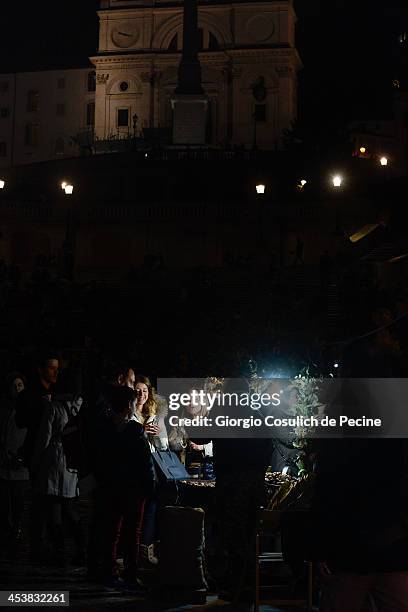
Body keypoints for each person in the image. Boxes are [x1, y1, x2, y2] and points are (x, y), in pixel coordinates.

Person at [95, 385, 155, 589]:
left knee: (112, 530)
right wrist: (150, 486)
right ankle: (131, 573)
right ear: (128, 406)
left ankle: (109, 570)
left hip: (111, 486)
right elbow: (145, 462)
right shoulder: (135, 430)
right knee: (132, 532)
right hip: (133, 489)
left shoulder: (104, 428)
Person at [14, 351, 59, 561]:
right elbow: (21, 421)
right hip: (37, 453)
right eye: (51, 367)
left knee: (55, 502)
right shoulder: (30, 394)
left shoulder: (59, 392)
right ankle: (38, 544)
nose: (55, 372)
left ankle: (51, 543)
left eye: (57, 368)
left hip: (56, 455)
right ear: (41, 369)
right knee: (40, 500)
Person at [30, 394, 85, 566]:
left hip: (53, 461)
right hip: (72, 460)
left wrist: (35, 463)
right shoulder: (81, 406)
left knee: (54, 507)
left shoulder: (54, 407)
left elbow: (44, 438)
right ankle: (81, 546)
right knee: (69, 507)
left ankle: (59, 549)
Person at [132, 375, 168, 567]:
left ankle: (145, 549)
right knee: (136, 511)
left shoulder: (152, 414)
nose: (142, 394)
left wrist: (158, 434)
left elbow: (162, 447)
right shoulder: (129, 414)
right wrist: (143, 432)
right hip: (135, 469)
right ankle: (134, 551)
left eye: (145, 391)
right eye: (138, 390)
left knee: (151, 510)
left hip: (152, 469)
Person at [0, 373, 29, 547]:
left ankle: (16, 528)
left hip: (20, 463)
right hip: (4, 461)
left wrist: (21, 456)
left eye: (20, 385)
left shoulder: (28, 410)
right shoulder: (6, 410)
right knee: (4, 501)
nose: (17, 389)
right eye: (14, 386)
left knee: (18, 501)